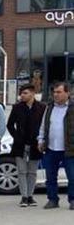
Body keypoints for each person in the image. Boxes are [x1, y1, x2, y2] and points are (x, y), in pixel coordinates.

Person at [6, 84, 46, 207]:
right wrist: (17, 137)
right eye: (21, 93)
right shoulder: (17, 107)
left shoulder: (42, 107)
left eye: (25, 93)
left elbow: (45, 125)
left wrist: (42, 140)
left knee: (32, 172)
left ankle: (30, 196)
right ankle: (24, 197)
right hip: (20, 145)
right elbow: (10, 125)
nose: (22, 95)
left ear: (33, 94)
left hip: (35, 144)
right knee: (22, 171)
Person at [37, 82, 74, 210]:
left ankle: (72, 200)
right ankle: (52, 199)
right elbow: (43, 125)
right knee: (50, 177)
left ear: (67, 93)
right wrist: (40, 140)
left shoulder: (72, 108)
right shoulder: (49, 108)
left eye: (59, 92)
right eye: (54, 92)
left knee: (72, 176)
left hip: (69, 148)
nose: (55, 95)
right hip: (51, 148)